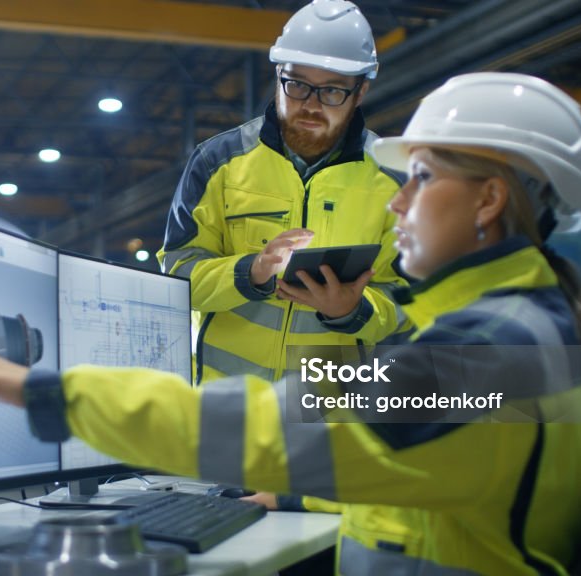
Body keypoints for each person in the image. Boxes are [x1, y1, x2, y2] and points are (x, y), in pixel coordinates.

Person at [0, 72, 581, 574]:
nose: (397, 203)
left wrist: (51, 394)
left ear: (489, 201)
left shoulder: (493, 354)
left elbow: (278, 426)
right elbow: (427, 465)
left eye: (420, 178)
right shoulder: (515, 327)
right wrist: (295, 495)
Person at [156, 0, 407, 387]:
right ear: (278, 74)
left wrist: (353, 309)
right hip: (223, 398)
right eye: (297, 84)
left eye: (332, 91)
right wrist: (250, 272)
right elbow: (175, 275)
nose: (310, 104)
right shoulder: (218, 162)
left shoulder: (394, 180)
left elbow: (410, 299)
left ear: (360, 92)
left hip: (325, 414)